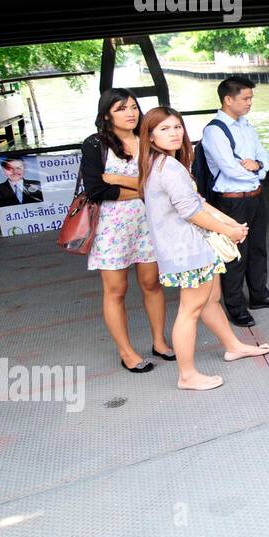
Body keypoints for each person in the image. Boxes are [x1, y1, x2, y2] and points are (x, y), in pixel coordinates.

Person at [138, 107, 269, 391]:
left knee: (211, 298)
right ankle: (187, 375)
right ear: (149, 136)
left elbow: (196, 200)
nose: (174, 133)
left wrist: (227, 221)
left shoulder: (162, 164)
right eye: (164, 129)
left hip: (192, 246)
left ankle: (233, 345)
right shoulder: (168, 168)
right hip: (187, 250)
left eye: (177, 127)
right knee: (190, 309)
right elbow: (190, 211)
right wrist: (229, 230)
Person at [80, 89, 171, 373]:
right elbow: (96, 189)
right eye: (121, 108)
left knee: (152, 284)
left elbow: (163, 183)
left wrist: (122, 181)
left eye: (133, 107)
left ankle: (159, 342)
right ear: (107, 114)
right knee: (116, 290)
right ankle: (127, 352)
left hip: (149, 224)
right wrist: (142, 189)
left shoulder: (148, 140)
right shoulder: (95, 144)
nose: (130, 113)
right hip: (112, 228)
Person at [202, 76, 269, 325]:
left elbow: (263, 154)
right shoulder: (214, 130)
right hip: (231, 201)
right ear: (228, 99)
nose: (250, 102)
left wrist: (259, 166)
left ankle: (259, 295)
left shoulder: (246, 125)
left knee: (257, 248)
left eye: (251, 98)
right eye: (246, 98)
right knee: (235, 255)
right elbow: (229, 168)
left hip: (254, 196)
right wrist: (255, 170)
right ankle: (236, 307)